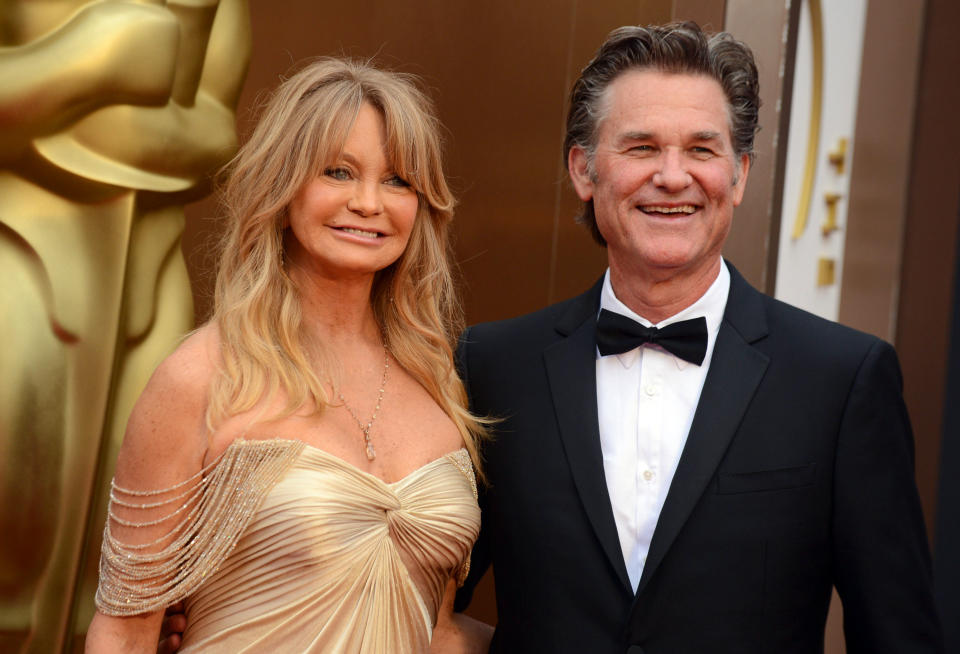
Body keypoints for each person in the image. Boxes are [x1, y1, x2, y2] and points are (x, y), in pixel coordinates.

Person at [453, 22, 944, 653]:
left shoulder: (842, 379)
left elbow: (899, 635)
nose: (673, 176)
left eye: (703, 150)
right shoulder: (494, 365)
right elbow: (423, 598)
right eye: (641, 147)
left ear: (738, 176)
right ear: (583, 169)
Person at [85, 58, 492, 653]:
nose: (369, 202)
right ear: (283, 184)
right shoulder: (203, 375)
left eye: (398, 180)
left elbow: (439, 630)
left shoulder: (437, 382)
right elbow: (125, 630)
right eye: (338, 171)